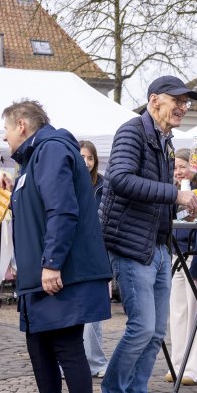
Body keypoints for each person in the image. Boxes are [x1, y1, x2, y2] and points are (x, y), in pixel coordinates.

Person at [2, 100, 112, 393]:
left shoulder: (50, 149)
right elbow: (39, 208)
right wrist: (13, 193)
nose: (5, 139)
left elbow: (63, 210)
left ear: (21, 125)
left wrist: (52, 263)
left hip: (60, 275)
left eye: (6, 131)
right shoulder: (34, 160)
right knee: (40, 350)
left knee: (67, 349)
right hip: (37, 278)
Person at [96, 75, 197, 393]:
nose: (183, 107)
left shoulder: (166, 141)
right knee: (141, 327)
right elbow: (120, 179)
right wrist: (174, 194)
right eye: (178, 100)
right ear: (154, 100)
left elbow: (152, 194)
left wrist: (177, 207)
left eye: (186, 102)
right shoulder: (132, 132)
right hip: (131, 246)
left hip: (156, 246)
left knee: (155, 332)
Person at [166, 149, 197, 385]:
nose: (178, 171)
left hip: (196, 258)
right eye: (175, 167)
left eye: (183, 166)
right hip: (176, 257)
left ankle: (195, 370)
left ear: (193, 168)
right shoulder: (173, 193)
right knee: (177, 313)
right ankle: (177, 365)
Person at [78, 140, 110, 378]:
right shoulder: (65, 182)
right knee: (72, 312)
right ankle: (71, 362)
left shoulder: (104, 186)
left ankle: (96, 361)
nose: (86, 162)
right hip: (73, 254)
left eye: (90, 158)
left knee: (94, 313)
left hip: (98, 254)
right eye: (82, 157)